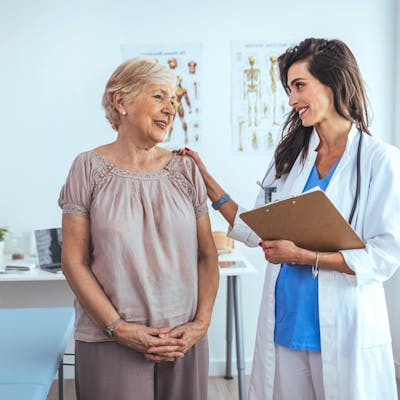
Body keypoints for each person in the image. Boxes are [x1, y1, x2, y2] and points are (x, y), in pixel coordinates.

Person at [178, 38, 400, 399]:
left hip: (346, 327)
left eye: (299, 86)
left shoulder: (379, 160)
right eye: (289, 88)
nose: (292, 99)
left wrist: (305, 257)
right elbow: (254, 227)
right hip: (287, 323)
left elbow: (385, 255)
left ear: (334, 83)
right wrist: (206, 180)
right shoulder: (292, 156)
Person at [58, 56, 219, 400]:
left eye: (173, 99)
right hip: (110, 340)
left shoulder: (186, 169)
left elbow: (207, 255)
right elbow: (73, 262)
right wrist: (118, 329)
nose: (171, 108)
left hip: (183, 341)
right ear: (122, 101)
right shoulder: (87, 168)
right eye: (159, 96)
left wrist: (200, 325)